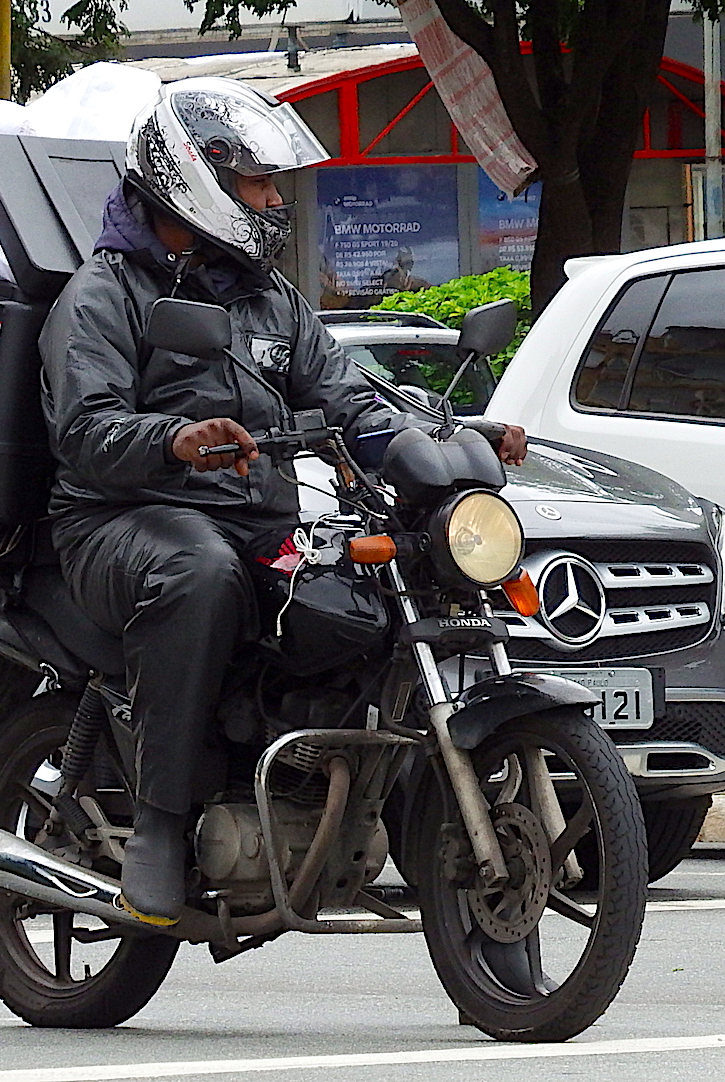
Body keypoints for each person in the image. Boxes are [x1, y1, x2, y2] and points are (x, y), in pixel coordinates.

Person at [37, 77, 528, 918]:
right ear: (197, 178)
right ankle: (159, 823)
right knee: (200, 573)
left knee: (356, 594)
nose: (273, 201)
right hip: (117, 520)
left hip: (253, 517)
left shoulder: (270, 297)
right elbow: (84, 431)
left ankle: (321, 773)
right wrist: (171, 439)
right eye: (259, 184)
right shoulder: (105, 295)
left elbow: (347, 395)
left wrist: (452, 444)